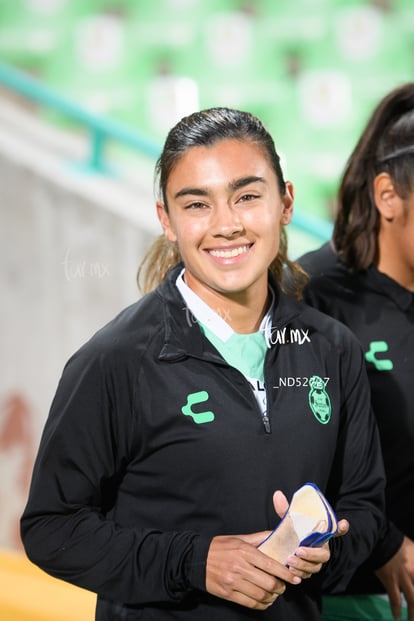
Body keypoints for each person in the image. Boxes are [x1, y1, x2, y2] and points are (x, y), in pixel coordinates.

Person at [21, 107, 385, 621]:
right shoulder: (115, 360)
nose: (227, 224)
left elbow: (364, 506)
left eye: (247, 196)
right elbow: (51, 529)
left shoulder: (332, 347)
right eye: (197, 204)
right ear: (167, 220)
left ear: (285, 202)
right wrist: (195, 562)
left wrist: (325, 551)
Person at [297, 84, 414, 621]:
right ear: (388, 195)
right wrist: (384, 542)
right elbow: (288, 452)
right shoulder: (311, 294)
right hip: (347, 599)